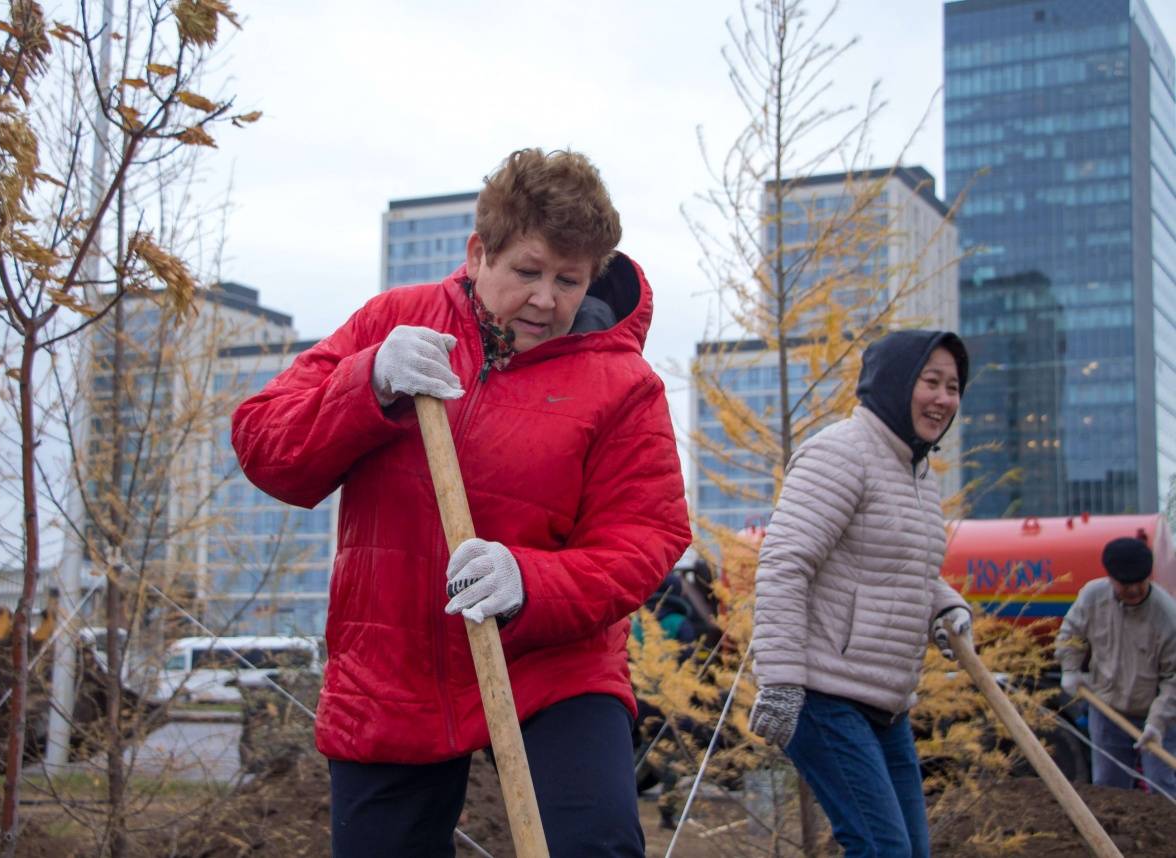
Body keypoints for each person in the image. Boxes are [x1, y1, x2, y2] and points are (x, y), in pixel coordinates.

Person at [231, 148, 690, 857]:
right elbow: (266, 446)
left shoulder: (623, 384)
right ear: (480, 253)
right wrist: (368, 382)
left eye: (569, 280)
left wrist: (529, 582)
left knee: (593, 844)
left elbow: (645, 538)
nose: (547, 299)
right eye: (528, 272)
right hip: (391, 663)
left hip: (553, 666)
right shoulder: (397, 321)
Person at [746, 330, 974, 858]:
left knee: (911, 852)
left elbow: (902, 566)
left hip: (884, 702)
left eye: (954, 387)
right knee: (882, 849)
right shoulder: (841, 454)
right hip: (825, 693)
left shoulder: (917, 474)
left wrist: (947, 606)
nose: (943, 399)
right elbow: (784, 564)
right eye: (931, 382)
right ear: (895, 383)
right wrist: (780, 683)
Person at [1056, 536, 1176, 794]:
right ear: (1110, 578)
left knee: (1163, 790)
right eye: (1125, 584)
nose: (1133, 590)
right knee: (1109, 789)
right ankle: (1112, 836)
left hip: (1154, 715)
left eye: (1139, 584)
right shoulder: (1093, 597)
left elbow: (1173, 680)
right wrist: (1070, 668)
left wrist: (1157, 724)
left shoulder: (1167, 616)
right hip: (1107, 709)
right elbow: (1071, 635)